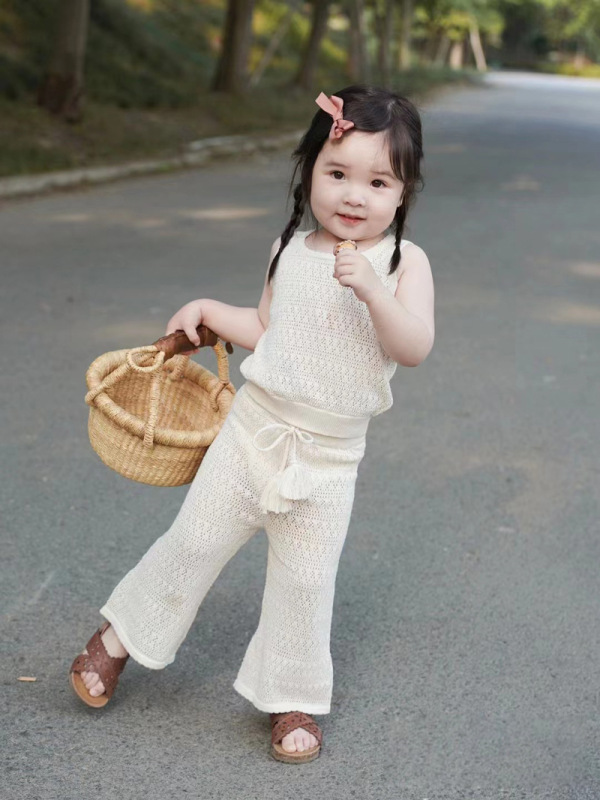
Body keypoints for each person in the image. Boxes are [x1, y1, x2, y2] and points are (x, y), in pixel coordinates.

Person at [69, 84, 435, 764]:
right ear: (309, 171)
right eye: (337, 173)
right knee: (194, 542)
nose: (354, 196)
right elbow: (268, 329)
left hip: (327, 460)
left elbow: (413, 347)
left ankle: (291, 693)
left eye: (378, 182)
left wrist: (372, 290)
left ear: (403, 192)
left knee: (305, 581)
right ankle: (118, 639)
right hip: (252, 433)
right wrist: (209, 311)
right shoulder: (288, 248)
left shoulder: (402, 262)